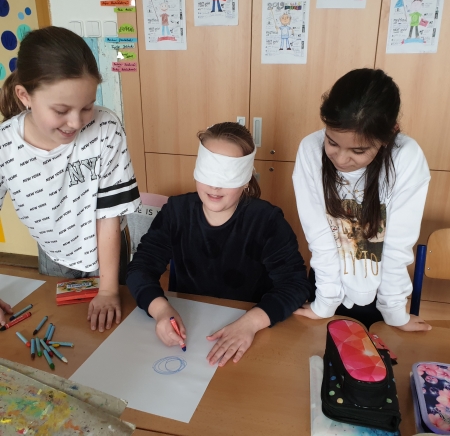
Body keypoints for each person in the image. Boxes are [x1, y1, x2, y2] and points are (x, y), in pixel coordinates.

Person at [127, 122, 312, 366]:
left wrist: (251, 323)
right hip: (189, 326)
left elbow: (296, 284)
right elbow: (140, 268)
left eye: (227, 175)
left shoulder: (267, 221)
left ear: (246, 179)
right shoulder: (176, 212)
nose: (215, 186)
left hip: (251, 332)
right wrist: (160, 310)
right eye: (209, 171)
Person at [0, 26, 140, 331]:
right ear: (24, 96)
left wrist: (108, 290)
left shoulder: (105, 128)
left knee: (112, 327)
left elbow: (109, 216)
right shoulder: (4, 144)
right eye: (61, 110)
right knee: (62, 327)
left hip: (108, 248)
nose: (76, 122)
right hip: (53, 253)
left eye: (87, 106)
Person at [292, 68, 431, 331]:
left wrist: (394, 311)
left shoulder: (406, 157)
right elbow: (320, 237)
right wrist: (325, 302)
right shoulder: (310, 150)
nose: (341, 159)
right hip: (327, 282)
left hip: (381, 291)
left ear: (389, 135)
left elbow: (398, 245)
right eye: (332, 142)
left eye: (358, 150)